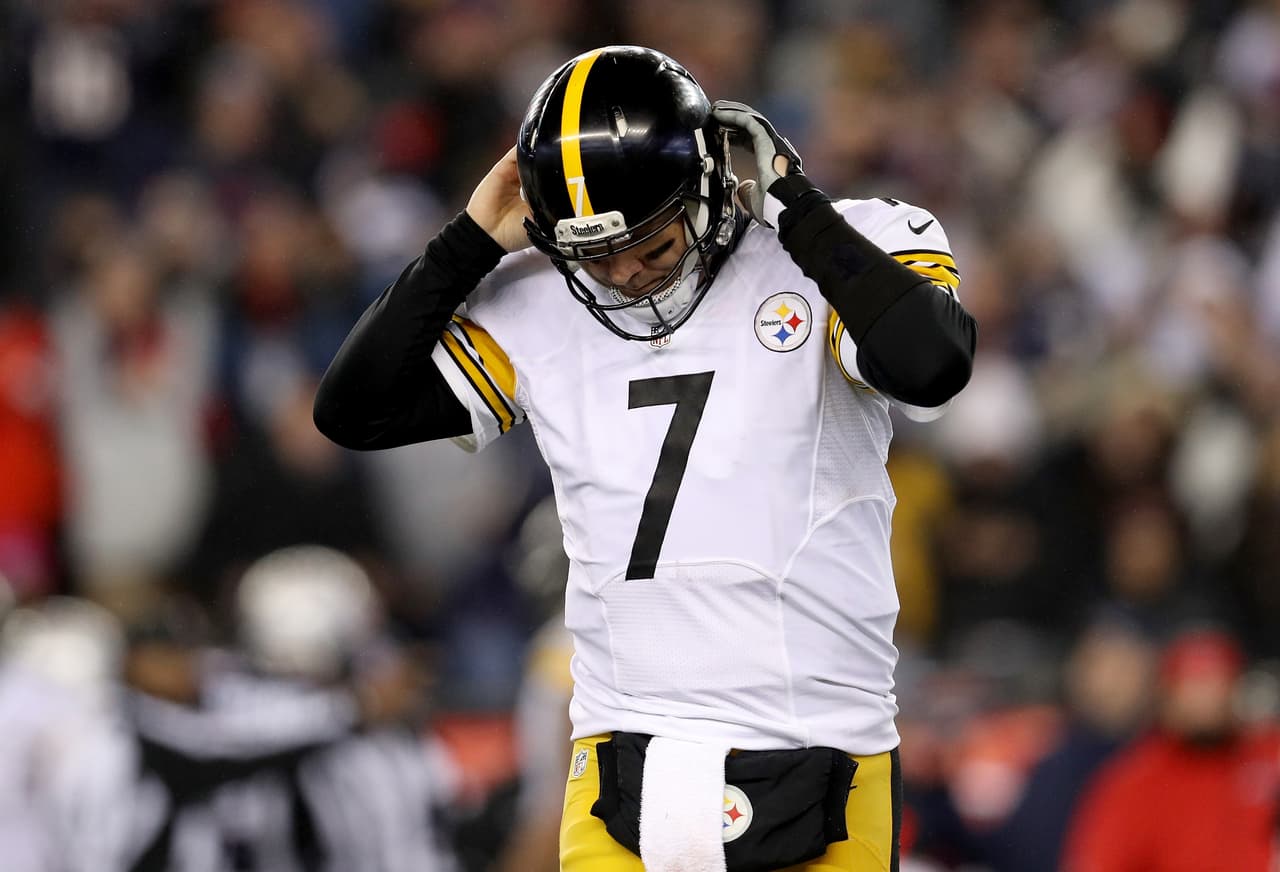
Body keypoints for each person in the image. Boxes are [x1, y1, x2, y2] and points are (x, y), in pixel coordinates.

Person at [315, 44, 976, 872]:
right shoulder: (538, 301)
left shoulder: (847, 244)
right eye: (596, 256)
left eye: (652, 247)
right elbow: (353, 410)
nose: (625, 275)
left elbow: (931, 365)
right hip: (623, 740)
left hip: (821, 741)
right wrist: (466, 244)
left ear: (708, 184)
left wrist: (795, 205)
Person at [1062, 626, 1280, 872]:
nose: (1206, 697)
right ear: (1169, 694)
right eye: (1194, 685)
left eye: (1216, 682)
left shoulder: (1267, 754)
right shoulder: (1134, 780)